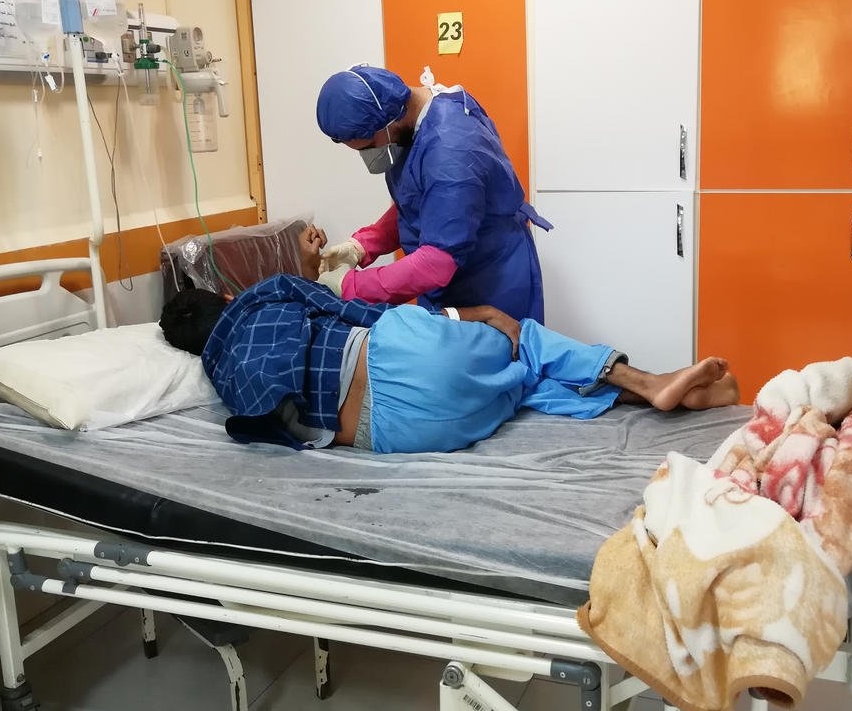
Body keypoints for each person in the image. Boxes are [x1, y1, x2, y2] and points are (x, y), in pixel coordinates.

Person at [159, 227, 739, 454]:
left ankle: (640, 397)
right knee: (522, 343)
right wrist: (475, 313)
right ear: (225, 300)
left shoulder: (224, 378)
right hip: (398, 358)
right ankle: (646, 382)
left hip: (397, 432)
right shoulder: (262, 296)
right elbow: (352, 307)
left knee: (515, 390)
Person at [314, 64, 550, 322]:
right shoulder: (416, 127)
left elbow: (436, 262)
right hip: (446, 282)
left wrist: (353, 286)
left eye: (369, 147)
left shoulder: (451, 150)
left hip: (488, 281)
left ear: (389, 123)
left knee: (496, 357)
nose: (368, 157)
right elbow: (420, 203)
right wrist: (362, 245)